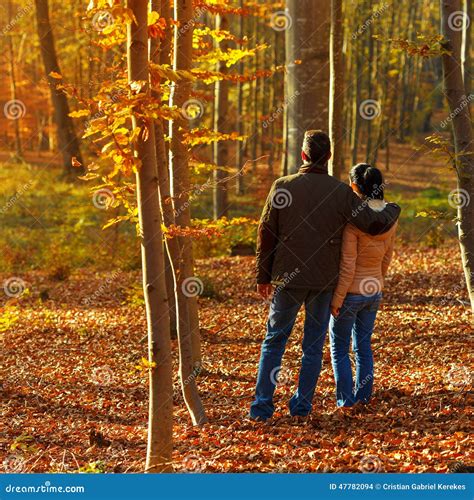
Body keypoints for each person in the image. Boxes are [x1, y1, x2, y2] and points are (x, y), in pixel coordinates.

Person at [249, 130, 401, 421]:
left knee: (274, 341)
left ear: (303, 155)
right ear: (329, 157)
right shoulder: (340, 192)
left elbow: (266, 233)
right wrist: (393, 210)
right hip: (323, 282)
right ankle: (302, 407)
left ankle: (261, 408)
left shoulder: (283, 186)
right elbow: (371, 223)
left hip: (287, 279)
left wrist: (263, 276)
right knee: (313, 346)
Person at [329, 164, 397, 408]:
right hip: (373, 290)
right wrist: (378, 283)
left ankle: (345, 402)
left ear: (355, 187)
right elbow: (387, 257)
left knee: (339, 348)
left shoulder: (354, 221)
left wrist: (337, 299)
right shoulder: (390, 216)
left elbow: (347, 265)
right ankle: (364, 398)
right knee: (363, 347)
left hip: (351, 292)